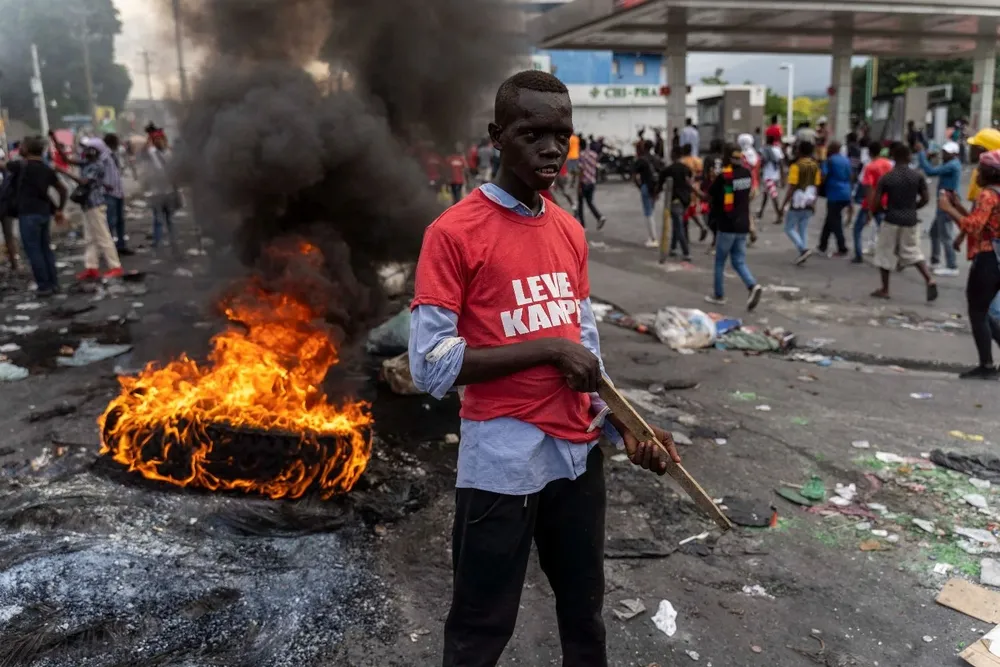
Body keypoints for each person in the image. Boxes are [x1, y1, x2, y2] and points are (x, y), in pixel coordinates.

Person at [408, 69, 679, 667]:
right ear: (497, 137)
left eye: (563, 134)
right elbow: (430, 368)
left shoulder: (569, 231)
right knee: (481, 628)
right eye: (533, 134)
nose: (553, 148)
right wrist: (546, 350)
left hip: (578, 460)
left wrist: (625, 427)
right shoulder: (453, 233)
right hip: (502, 462)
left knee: (585, 617)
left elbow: (587, 354)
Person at [937, 149, 1000, 379]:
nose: (976, 174)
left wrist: (949, 209)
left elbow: (973, 226)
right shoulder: (996, 194)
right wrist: (959, 207)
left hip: (988, 260)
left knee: (977, 312)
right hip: (996, 257)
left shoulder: (988, 195)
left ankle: (986, 366)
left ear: (990, 172)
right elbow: (983, 222)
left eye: (980, 169)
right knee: (983, 311)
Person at [870, 142, 937, 302]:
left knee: (885, 253)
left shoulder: (887, 177)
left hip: (892, 218)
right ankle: (929, 278)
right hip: (910, 219)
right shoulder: (917, 176)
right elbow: (926, 198)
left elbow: (876, 202)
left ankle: (885, 289)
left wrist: (883, 210)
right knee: (913, 251)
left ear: (893, 157)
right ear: (908, 157)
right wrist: (913, 208)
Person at [704, 144, 763, 310]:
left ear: (726, 157)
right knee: (738, 261)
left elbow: (710, 196)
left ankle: (719, 295)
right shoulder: (746, 173)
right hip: (743, 224)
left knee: (720, 262)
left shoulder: (725, 176)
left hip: (727, 225)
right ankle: (752, 285)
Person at [7, 136, 67, 295]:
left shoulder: (20, 166)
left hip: (27, 214)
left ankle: (44, 286)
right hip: (44, 213)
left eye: (22, 146)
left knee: (34, 251)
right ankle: (54, 284)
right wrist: (59, 209)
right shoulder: (46, 169)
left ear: (26, 149)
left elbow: (2, 166)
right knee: (45, 249)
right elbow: (63, 190)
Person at [58, 144, 124, 280]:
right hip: (87, 205)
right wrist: (55, 140)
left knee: (103, 237)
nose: (85, 152)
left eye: (89, 149)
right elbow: (67, 160)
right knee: (90, 238)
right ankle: (91, 267)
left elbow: (84, 181)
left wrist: (63, 171)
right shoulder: (87, 163)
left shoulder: (97, 165)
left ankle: (115, 266)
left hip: (95, 204)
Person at [917, 141, 962, 276]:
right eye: (944, 151)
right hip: (944, 202)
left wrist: (921, 153)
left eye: (947, 152)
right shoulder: (952, 163)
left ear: (954, 154)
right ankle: (935, 260)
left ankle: (951, 265)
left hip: (946, 203)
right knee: (934, 233)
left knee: (945, 235)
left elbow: (930, 171)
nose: (944, 154)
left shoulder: (952, 165)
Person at [781, 141, 821, 264]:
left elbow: (792, 187)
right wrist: (815, 202)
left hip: (798, 200)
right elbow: (817, 185)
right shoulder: (815, 166)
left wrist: (783, 204)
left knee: (789, 228)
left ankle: (802, 249)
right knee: (803, 228)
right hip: (810, 199)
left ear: (800, 151)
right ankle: (802, 252)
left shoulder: (796, 166)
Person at [852, 143, 893, 262]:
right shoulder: (888, 164)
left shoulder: (870, 167)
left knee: (857, 229)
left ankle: (858, 255)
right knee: (884, 229)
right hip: (885, 200)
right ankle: (890, 254)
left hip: (871, 202)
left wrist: (870, 208)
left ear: (870, 152)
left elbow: (869, 188)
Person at [142, 130, 180, 252]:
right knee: (163, 220)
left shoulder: (163, 153)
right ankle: (163, 243)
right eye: (156, 139)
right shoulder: (159, 153)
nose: (159, 141)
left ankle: (167, 243)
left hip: (164, 192)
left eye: (160, 139)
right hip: (160, 192)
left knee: (165, 220)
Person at [817, 140, 852, 256]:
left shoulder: (829, 161)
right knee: (830, 218)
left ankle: (842, 247)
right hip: (846, 192)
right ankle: (823, 244)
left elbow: (824, 175)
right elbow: (851, 176)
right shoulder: (846, 160)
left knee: (834, 221)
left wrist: (819, 186)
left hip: (834, 193)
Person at [661, 146, 693, 261]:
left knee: (678, 226)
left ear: (673, 154)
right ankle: (673, 248)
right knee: (677, 223)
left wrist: (654, 194)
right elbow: (690, 181)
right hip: (686, 200)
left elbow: (659, 184)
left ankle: (686, 252)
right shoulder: (686, 169)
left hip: (675, 200)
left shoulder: (668, 170)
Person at [634, 139, 660, 248]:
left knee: (648, 213)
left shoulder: (641, 160)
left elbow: (635, 176)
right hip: (655, 188)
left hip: (646, 186)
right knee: (652, 212)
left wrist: (640, 187)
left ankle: (653, 238)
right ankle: (652, 236)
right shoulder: (656, 159)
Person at [680, 144, 708, 241]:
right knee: (692, 210)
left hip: (686, 189)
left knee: (685, 211)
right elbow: (702, 174)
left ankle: (685, 236)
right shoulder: (698, 160)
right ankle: (702, 227)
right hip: (696, 188)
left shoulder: (682, 162)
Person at [576, 140, 606, 229]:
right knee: (589, 202)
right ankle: (599, 217)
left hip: (584, 182)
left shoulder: (581, 155)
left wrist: (579, 185)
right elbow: (595, 167)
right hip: (592, 182)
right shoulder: (594, 154)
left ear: (580, 146)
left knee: (580, 204)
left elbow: (581, 170)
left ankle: (582, 225)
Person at [757, 134, 785, 222]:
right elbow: (781, 164)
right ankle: (761, 212)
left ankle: (779, 215)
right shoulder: (778, 150)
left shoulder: (763, 150)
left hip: (768, 176)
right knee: (766, 195)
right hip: (775, 176)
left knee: (773, 196)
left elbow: (761, 162)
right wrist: (783, 178)